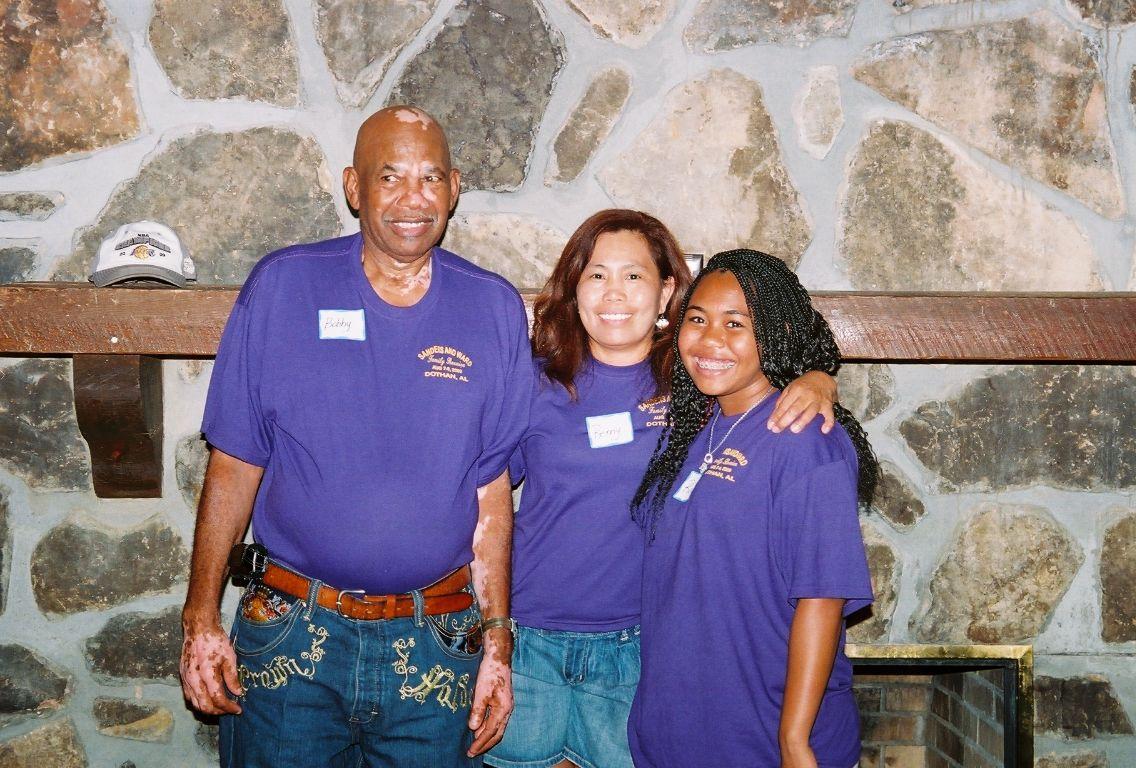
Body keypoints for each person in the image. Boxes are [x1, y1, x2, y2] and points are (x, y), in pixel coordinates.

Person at [179, 106, 529, 767]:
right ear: (353, 187)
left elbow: (492, 500)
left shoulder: (493, 309)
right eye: (389, 176)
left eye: (430, 178)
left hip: (437, 645)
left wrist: (497, 649)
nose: (412, 199)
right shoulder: (283, 286)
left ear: (455, 189)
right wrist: (200, 619)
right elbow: (233, 465)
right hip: (291, 636)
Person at [485, 214, 839, 768]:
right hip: (531, 645)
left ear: (666, 291)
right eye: (597, 275)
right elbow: (483, 496)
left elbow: (765, 370)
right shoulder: (532, 382)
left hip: (640, 651)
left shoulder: (697, 382)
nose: (614, 294)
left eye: (633, 276)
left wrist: (817, 377)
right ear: (574, 288)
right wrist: (493, 632)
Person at [629, 249, 878, 768]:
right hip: (682, 734)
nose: (711, 339)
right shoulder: (694, 426)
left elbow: (822, 597)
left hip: (764, 740)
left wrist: (794, 741)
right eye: (697, 319)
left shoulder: (806, 440)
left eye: (736, 323)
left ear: (775, 331)